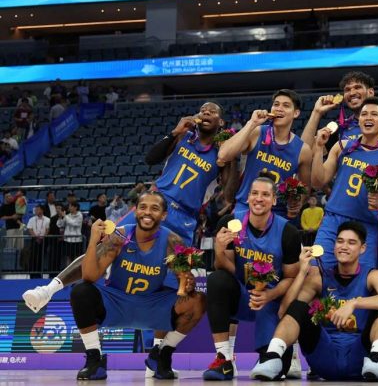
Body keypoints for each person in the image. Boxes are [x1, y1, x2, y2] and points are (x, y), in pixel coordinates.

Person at [23, 101, 234, 378]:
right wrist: (175, 131)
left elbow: (229, 196)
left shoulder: (221, 155)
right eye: (203, 109)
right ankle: (48, 290)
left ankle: (159, 355)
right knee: (103, 247)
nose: (206, 113)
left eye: (213, 112)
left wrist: (233, 155)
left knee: (174, 286)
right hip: (154, 205)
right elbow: (151, 158)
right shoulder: (184, 137)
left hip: (183, 219)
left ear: (221, 123)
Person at [68, 191, 205, 380]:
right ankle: (94, 360)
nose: (147, 212)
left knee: (197, 301)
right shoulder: (119, 236)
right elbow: (90, 276)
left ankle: (162, 355)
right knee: (81, 291)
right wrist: (93, 241)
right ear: (136, 211)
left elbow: (184, 283)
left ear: (164, 215)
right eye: (143, 207)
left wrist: (188, 280)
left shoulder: (172, 241)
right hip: (116, 302)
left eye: (154, 208)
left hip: (152, 304)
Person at [250, 221, 378, 381]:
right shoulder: (319, 278)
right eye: (340, 241)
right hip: (324, 355)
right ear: (334, 245)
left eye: (351, 243)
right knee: (298, 306)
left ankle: (377, 358)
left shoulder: (373, 275)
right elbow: (285, 311)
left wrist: (355, 303)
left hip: (361, 359)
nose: (344, 246)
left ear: (362, 248)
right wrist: (302, 272)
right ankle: (271, 358)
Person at [202, 176, 301, 381]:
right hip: (241, 294)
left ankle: (280, 352)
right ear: (247, 197)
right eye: (255, 193)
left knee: (272, 370)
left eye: (265, 194)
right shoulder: (230, 223)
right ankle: (224, 358)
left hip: (272, 301)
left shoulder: (289, 232)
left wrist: (269, 295)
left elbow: (291, 277)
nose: (259, 198)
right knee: (217, 280)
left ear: (274, 200)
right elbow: (224, 269)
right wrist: (219, 249)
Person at [310, 97, 378, 273]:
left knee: (360, 281)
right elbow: (317, 182)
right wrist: (317, 148)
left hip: (366, 226)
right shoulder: (342, 146)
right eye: (364, 114)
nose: (368, 118)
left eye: (374, 114)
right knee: (317, 272)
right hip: (333, 221)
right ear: (358, 119)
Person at [218, 89, 312, 220]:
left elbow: (305, 189)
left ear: (296, 113)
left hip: (277, 213)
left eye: (286, 105)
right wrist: (252, 123)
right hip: (246, 207)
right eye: (276, 104)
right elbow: (223, 155)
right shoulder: (257, 132)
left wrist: (297, 203)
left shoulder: (303, 150)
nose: (279, 108)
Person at [26, 205, 50, 277]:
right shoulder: (31, 219)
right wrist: (35, 237)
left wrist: (42, 237)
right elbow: (30, 229)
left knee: (41, 257)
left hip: (43, 240)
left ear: (42, 210)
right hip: (34, 240)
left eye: (38, 209)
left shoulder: (47, 219)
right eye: (35, 210)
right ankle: (32, 274)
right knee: (33, 257)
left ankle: (39, 274)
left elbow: (47, 230)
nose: (36, 211)